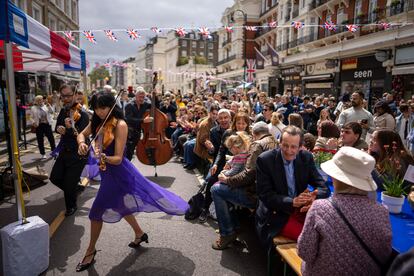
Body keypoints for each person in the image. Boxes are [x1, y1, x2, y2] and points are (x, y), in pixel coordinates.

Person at [75, 92, 189, 272]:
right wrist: (82, 143)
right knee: (121, 205)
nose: (99, 112)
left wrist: (101, 155)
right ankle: (139, 234)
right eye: (96, 108)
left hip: (118, 173)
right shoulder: (97, 121)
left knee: (95, 213)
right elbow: (82, 134)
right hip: (107, 173)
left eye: (103, 108)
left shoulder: (120, 125)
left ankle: (90, 251)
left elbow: (118, 158)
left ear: (111, 106)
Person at [298, 146, 392, 276]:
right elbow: (385, 255)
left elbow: (305, 252)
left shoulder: (319, 208)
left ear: (335, 177)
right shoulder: (382, 212)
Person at [255, 125, 330, 249]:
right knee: (310, 240)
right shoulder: (265, 160)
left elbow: (323, 187)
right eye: (285, 145)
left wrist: (314, 196)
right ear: (279, 143)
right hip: (277, 214)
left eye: (293, 147)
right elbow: (265, 195)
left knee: (327, 234)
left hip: (300, 210)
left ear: (300, 147)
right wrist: (292, 202)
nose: (288, 150)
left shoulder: (306, 157)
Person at [211, 122, 277, 249]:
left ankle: (227, 233)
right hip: (268, 192)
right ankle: (234, 227)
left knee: (216, 189)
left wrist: (227, 179)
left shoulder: (257, 145)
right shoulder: (275, 141)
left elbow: (248, 175)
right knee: (224, 189)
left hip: (257, 196)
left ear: (254, 134)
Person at [49, 84, 89, 217]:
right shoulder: (63, 111)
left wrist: (70, 128)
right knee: (54, 177)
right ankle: (75, 189)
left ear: (76, 94)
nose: (65, 98)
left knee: (68, 182)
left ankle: (71, 206)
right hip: (64, 151)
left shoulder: (83, 114)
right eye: (63, 96)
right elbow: (57, 127)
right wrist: (60, 128)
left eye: (68, 95)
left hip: (78, 154)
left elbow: (81, 135)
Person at [124, 87, 152, 160]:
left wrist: (155, 96)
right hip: (129, 132)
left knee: (132, 152)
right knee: (128, 153)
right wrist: (143, 121)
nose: (141, 99)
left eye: (143, 97)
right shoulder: (129, 105)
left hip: (138, 132)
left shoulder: (145, 104)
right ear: (135, 96)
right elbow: (128, 119)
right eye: (140, 97)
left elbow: (155, 107)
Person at [30, 95, 56, 159]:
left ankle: (54, 151)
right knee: (40, 140)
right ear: (36, 101)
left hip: (47, 125)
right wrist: (33, 123)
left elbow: (52, 112)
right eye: (38, 100)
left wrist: (49, 106)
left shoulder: (46, 106)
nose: (40, 101)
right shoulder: (33, 108)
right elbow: (30, 117)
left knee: (51, 138)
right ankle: (43, 153)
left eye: (41, 99)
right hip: (39, 126)